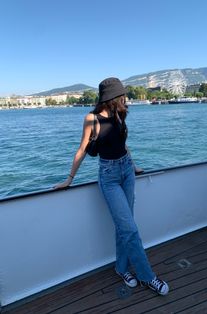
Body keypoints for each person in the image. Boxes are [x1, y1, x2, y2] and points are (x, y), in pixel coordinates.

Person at [55, 77, 169, 295]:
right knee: (130, 229)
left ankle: (121, 268)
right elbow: (81, 150)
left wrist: (134, 167)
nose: (125, 98)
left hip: (127, 170)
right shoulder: (92, 118)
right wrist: (69, 179)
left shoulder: (119, 113)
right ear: (112, 97)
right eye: (121, 95)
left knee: (125, 227)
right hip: (109, 176)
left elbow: (123, 145)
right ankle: (148, 277)